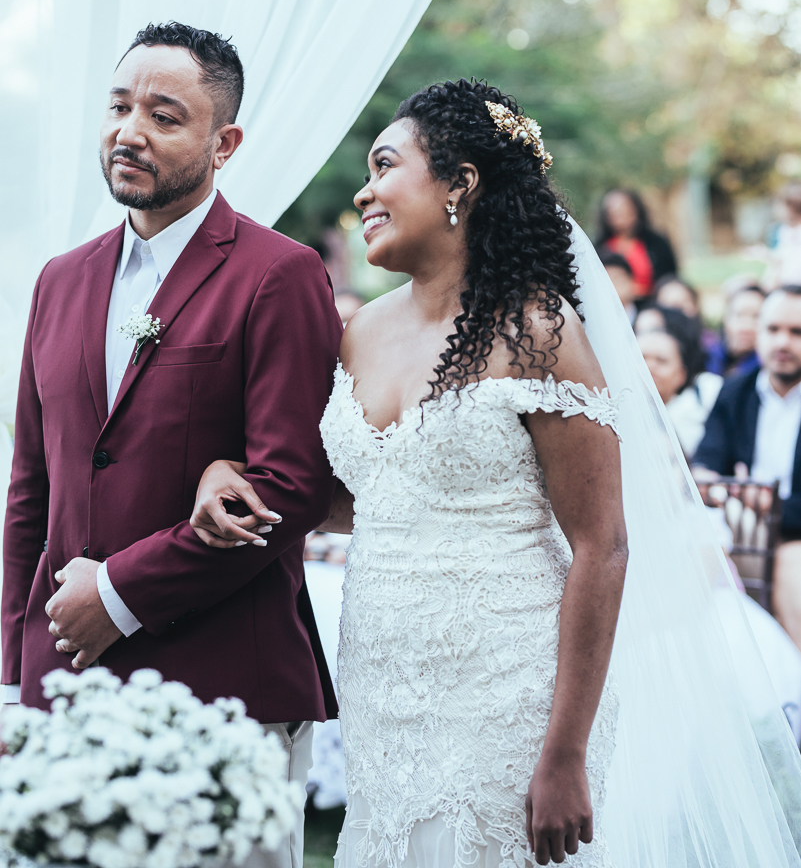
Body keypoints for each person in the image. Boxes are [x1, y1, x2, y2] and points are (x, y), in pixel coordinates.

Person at [190, 82, 801, 868]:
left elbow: (602, 545)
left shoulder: (536, 328)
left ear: (460, 184)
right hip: (382, 687)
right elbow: (348, 497)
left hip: (508, 691)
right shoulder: (361, 334)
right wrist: (223, 472)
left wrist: (565, 754)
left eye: (384, 165)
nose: (363, 189)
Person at [1, 22, 342, 868]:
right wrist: (13, 671)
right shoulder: (59, 278)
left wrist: (118, 592)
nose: (129, 132)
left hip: (223, 678)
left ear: (223, 142)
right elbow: (29, 490)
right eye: (118, 108)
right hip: (62, 680)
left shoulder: (279, 273)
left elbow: (290, 487)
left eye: (163, 114)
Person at [694, 286, 801, 651]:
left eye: (796, 332)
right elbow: (705, 465)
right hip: (737, 529)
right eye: (772, 330)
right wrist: (720, 486)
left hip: (793, 539)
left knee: (790, 568)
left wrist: (772, 505)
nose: (782, 342)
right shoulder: (735, 392)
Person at [636, 311, 722, 460]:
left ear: (681, 375)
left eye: (661, 361)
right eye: (641, 358)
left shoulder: (700, 403)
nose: (649, 367)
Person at [595, 189, 677, 300]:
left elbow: (669, 277)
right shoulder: (599, 248)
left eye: (624, 210)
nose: (619, 216)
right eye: (613, 212)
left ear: (636, 211)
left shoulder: (657, 243)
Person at [705, 283, 765, 377]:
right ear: (726, 318)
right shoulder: (707, 359)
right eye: (739, 315)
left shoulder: (767, 372)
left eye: (756, 316)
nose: (746, 326)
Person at [598, 250, 637, 323]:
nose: (612, 287)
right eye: (606, 282)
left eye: (616, 279)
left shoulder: (650, 314)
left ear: (631, 281)